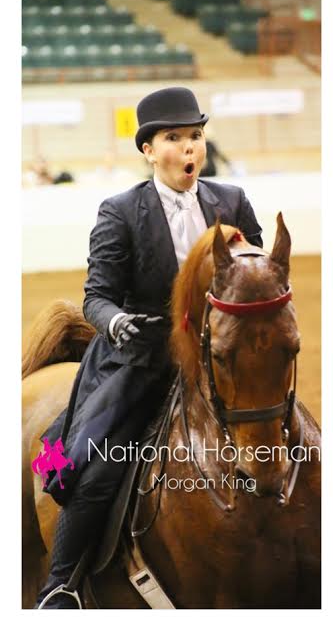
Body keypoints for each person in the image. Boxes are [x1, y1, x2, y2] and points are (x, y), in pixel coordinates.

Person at [34, 88, 263, 609]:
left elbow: (256, 271)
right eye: (174, 138)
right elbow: (96, 297)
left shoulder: (231, 201)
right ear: (148, 149)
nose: (189, 148)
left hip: (220, 361)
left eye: (196, 137)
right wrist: (114, 324)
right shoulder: (120, 212)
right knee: (97, 468)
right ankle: (61, 585)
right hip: (141, 359)